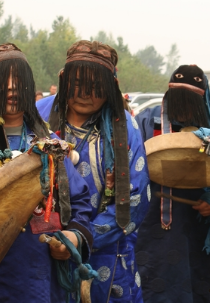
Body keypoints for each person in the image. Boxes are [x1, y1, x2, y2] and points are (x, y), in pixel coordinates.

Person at [36, 40, 150, 302]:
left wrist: (79, 238)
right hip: (43, 249)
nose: (85, 94)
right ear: (64, 80)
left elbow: (136, 199)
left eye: (96, 87)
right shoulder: (39, 115)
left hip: (106, 256)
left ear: (111, 86)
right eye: (78, 84)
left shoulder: (125, 126)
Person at [134, 65, 210, 303]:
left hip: (203, 225)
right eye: (179, 102)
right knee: (157, 288)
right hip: (157, 228)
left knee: (204, 289)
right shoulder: (147, 121)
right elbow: (133, 166)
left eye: (190, 103)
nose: (183, 110)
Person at [0, 43, 93, 302]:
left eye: (18, 79)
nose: (11, 87)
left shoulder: (50, 145)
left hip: (38, 280)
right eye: (3, 78)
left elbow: (80, 204)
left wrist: (71, 238)